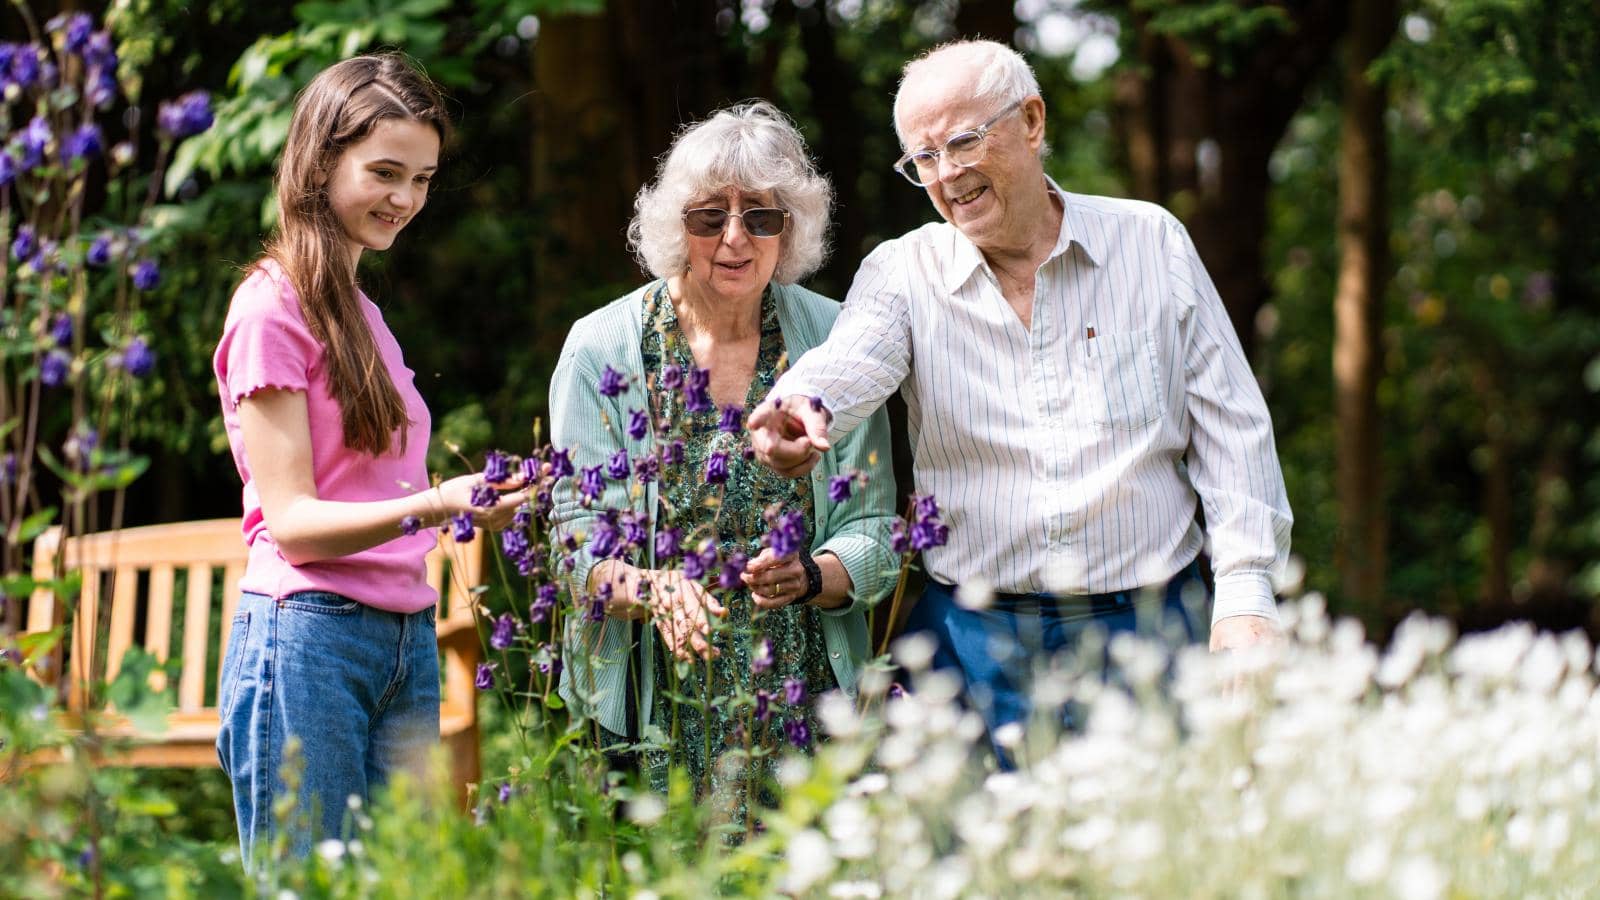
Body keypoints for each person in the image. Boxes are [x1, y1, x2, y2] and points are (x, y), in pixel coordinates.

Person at [749, 40, 1293, 755]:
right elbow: (848, 363)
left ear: (1032, 121)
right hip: (974, 644)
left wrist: (1247, 597)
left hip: (1153, 627)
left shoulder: (1151, 243)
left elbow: (1233, 431)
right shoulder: (905, 271)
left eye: (964, 141)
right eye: (925, 158)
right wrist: (800, 409)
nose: (948, 174)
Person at [212, 54, 525, 864]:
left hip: (404, 633)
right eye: (384, 172)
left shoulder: (359, 313)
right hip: (308, 636)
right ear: (321, 162)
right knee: (304, 884)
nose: (406, 199)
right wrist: (437, 503)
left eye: (421, 179)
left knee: (406, 884)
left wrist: (468, 498)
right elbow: (294, 524)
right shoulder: (269, 309)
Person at [550, 101, 897, 824]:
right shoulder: (601, 348)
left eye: (761, 217)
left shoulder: (839, 340)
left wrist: (811, 575)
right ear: (678, 227)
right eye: (710, 217)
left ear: (789, 230)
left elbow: (877, 533)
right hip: (654, 696)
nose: (735, 238)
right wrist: (650, 587)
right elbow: (574, 536)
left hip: (801, 697)